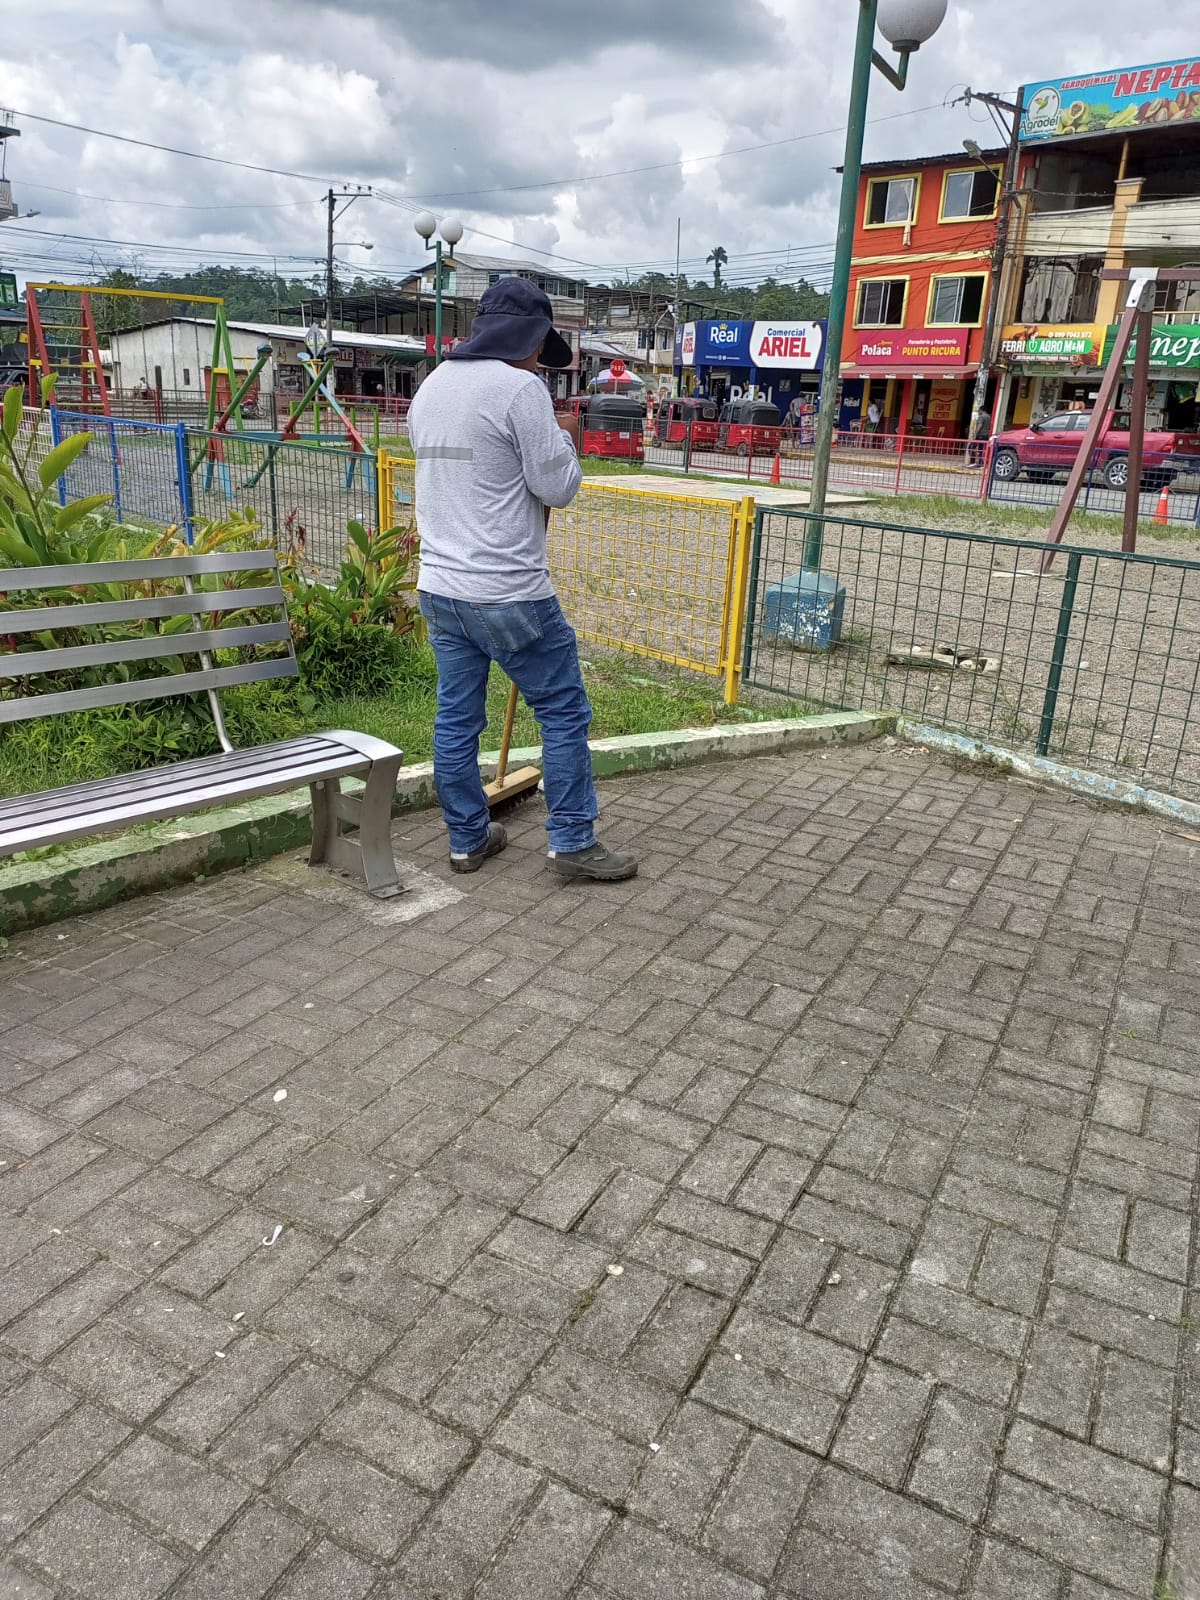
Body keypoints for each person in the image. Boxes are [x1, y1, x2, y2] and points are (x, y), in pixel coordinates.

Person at [408, 277, 638, 884]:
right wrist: (562, 439)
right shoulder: (520, 390)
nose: (541, 358)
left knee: (456, 718)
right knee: (562, 711)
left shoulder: (431, 386)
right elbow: (558, 487)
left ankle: (467, 839)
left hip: (441, 587)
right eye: (541, 345)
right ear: (531, 339)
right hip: (508, 591)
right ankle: (572, 840)